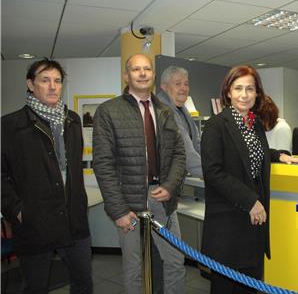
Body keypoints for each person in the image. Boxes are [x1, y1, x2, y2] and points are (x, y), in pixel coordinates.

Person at [200, 65, 298, 293]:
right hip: (229, 222)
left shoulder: (254, 123)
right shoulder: (215, 126)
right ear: (228, 92)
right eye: (238, 88)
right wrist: (250, 201)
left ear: (257, 93)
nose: (244, 94)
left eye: (250, 88)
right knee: (227, 286)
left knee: (251, 283)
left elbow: (251, 153)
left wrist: (279, 155)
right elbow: (213, 171)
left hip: (253, 223)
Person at [92, 54, 186, 294]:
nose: (143, 73)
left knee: (175, 261)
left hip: (162, 197)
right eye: (136, 69)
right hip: (128, 201)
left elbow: (178, 154)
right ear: (126, 76)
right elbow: (103, 164)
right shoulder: (108, 111)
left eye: (147, 69)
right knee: (134, 267)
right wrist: (118, 210)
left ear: (153, 75)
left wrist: (171, 185)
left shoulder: (166, 111)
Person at [1, 58, 93, 294]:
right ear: (31, 84)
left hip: (74, 222)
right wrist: (17, 210)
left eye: (57, 81)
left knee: (83, 284)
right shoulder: (9, 126)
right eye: (45, 80)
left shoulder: (72, 120)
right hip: (34, 223)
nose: (53, 86)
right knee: (36, 287)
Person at [157, 66, 202, 178]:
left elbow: (196, 144)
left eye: (186, 84)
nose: (183, 88)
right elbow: (186, 153)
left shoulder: (181, 109)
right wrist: (216, 175)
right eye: (177, 84)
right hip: (159, 185)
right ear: (164, 86)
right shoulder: (164, 110)